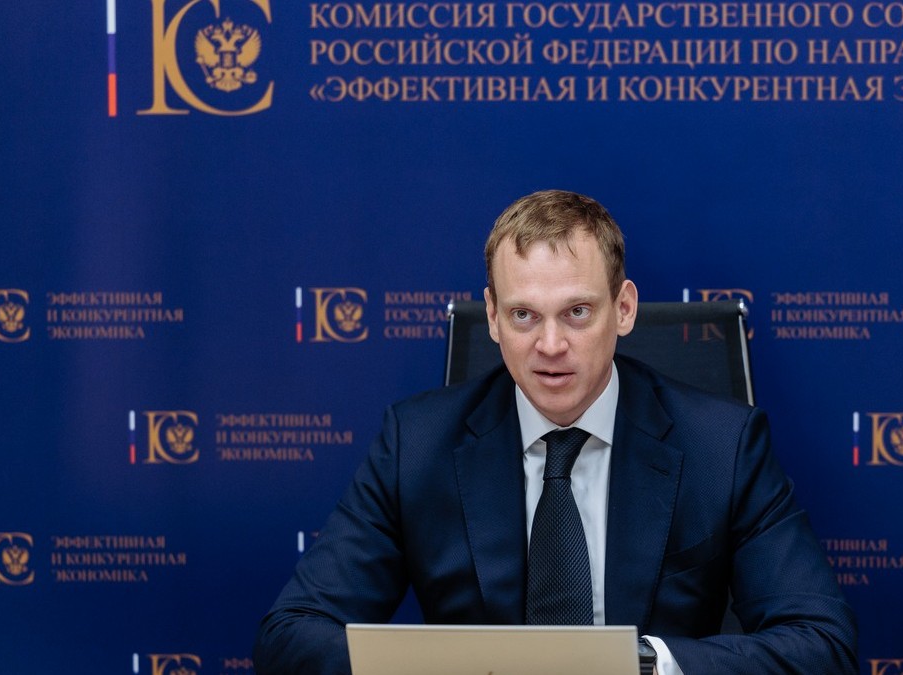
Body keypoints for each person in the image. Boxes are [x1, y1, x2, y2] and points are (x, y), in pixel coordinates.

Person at [253, 190, 857, 674]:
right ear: (493, 316)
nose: (550, 345)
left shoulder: (722, 446)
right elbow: (290, 636)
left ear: (623, 309)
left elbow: (822, 644)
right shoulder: (415, 444)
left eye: (577, 312)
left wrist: (642, 665)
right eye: (524, 315)